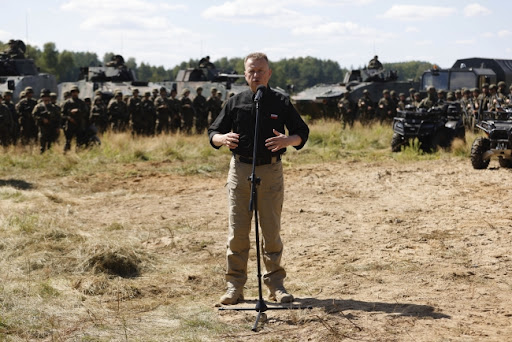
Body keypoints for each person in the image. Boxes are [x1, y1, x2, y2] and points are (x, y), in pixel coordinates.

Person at [208, 52, 309, 305]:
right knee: (238, 232)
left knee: (271, 232)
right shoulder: (235, 102)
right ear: (245, 74)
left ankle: (276, 286)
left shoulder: (280, 102)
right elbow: (213, 132)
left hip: (271, 171)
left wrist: (288, 140)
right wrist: (222, 139)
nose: (256, 75)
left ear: (269, 73)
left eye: (261, 71)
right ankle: (234, 287)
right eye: (251, 71)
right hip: (240, 171)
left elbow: (301, 132)